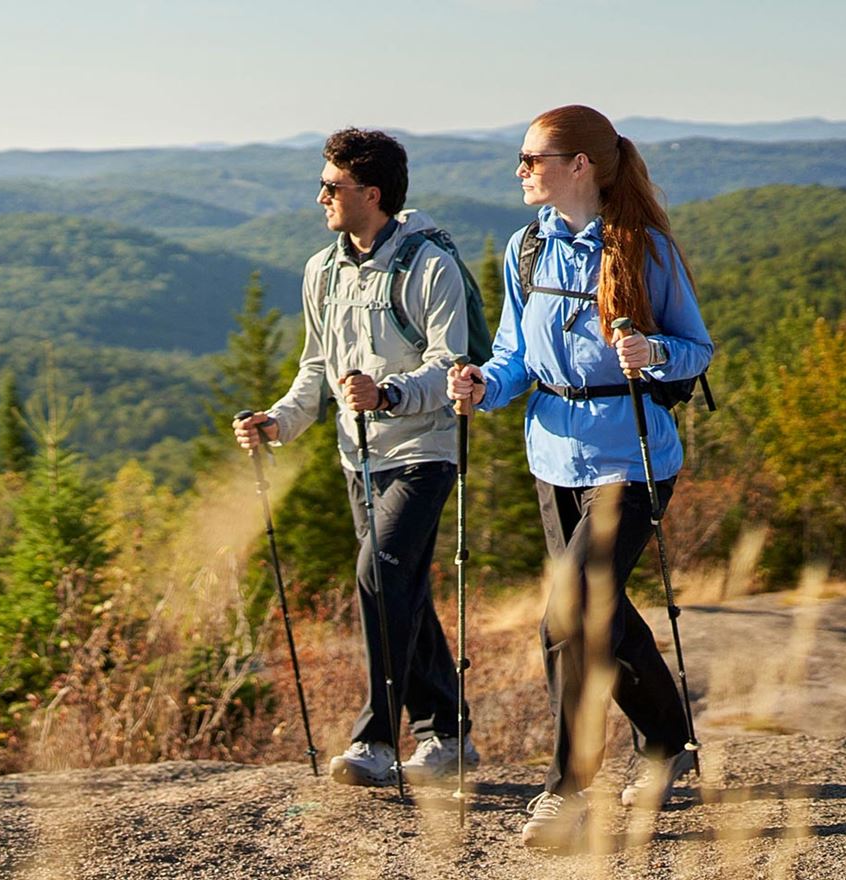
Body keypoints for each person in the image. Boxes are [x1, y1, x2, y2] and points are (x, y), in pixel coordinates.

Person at [447, 105, 715, 848]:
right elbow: (514, 356)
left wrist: (654, 354)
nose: (520, 170)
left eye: (532, 158)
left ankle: (567, 791)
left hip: (632, 456)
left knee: (570, 612)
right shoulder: (526, 248)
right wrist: (482, 384)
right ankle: (669, 743)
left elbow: (697, 349)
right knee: (604, 613)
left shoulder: (644, 249)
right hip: (553, 459)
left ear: (580, 166)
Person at [233, 128, 478, 788]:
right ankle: (448, 734)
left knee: (378, 574)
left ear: (371, 194)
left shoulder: (431, 267)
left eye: (331, 186)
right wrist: (278, 423)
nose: (321, 197)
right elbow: (316, 368)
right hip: (358, 459)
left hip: (424, 451)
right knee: (399, 585)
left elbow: (450, 363)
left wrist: (389, 394)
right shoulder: (322, 270)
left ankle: (375, 740)